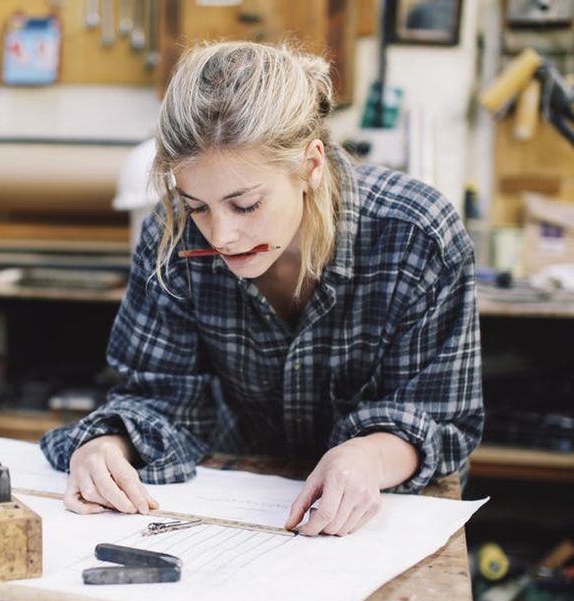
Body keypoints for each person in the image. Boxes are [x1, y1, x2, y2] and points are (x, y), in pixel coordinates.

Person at [40, 41, 483, 536]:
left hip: (390, 518)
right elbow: (160, 396)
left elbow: (441, 418)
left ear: (311, 166)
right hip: (238, 507)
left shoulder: (416, 236)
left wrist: (367, 457)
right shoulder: (172, 237)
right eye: (197, 206)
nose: (221, 235)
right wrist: (107, 445)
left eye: (246, 204)